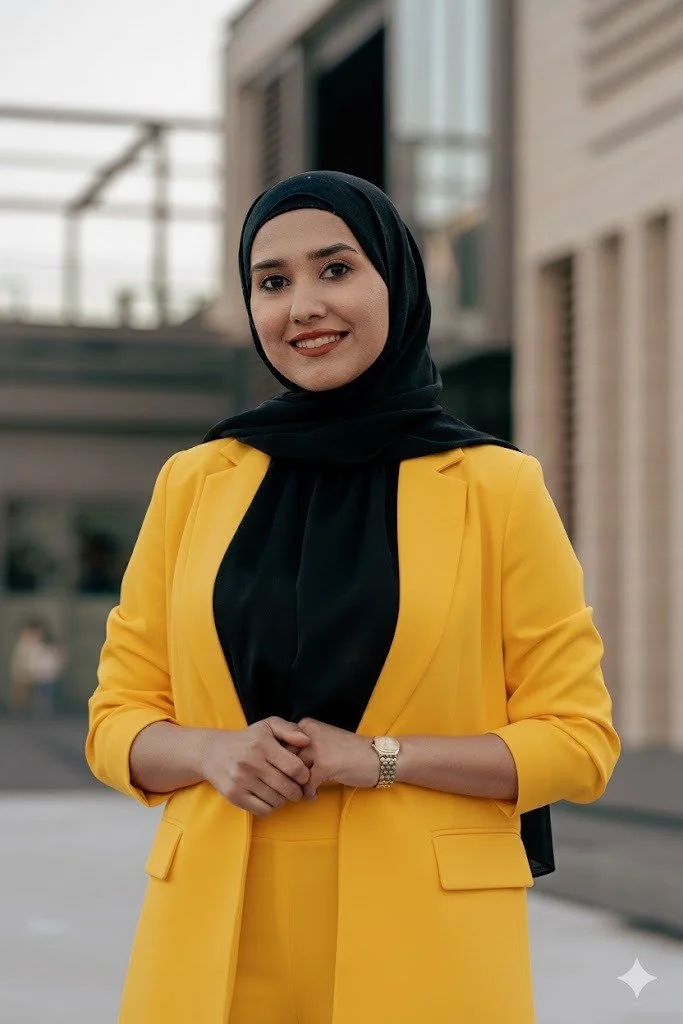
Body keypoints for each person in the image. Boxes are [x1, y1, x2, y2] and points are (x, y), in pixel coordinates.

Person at [85, 171, 621, 1024]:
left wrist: (373, 758)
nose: (302, 305)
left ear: (396, 282)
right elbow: (116, 718)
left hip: (423, 941)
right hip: (215, 935)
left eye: (335, 269)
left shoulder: (494, 487)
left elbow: (578, 743)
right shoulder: (195, 481)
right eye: (272, 281)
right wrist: (209, 753)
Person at [9, 620, 63, 718]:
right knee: (23, 695)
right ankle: (21, 712)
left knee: (40, 694)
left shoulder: (39, 644)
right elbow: (23, 659)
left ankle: (38, 711)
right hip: (27, 672)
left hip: (38, 673)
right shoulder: (25, 642)